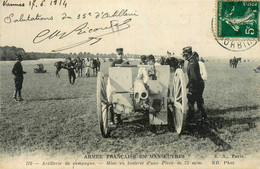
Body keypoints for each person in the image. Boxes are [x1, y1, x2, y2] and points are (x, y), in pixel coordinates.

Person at [182, 47, 207, 125]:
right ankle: (204, 117)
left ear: (187, 54)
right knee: (199, 101)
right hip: (199, 84)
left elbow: (193, 77)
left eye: (184, 55)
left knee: (191, 102)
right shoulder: (193, 61)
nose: (183, 57)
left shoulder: (192, 62)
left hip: (195, 85)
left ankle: (191, 121)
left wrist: (190, 86)